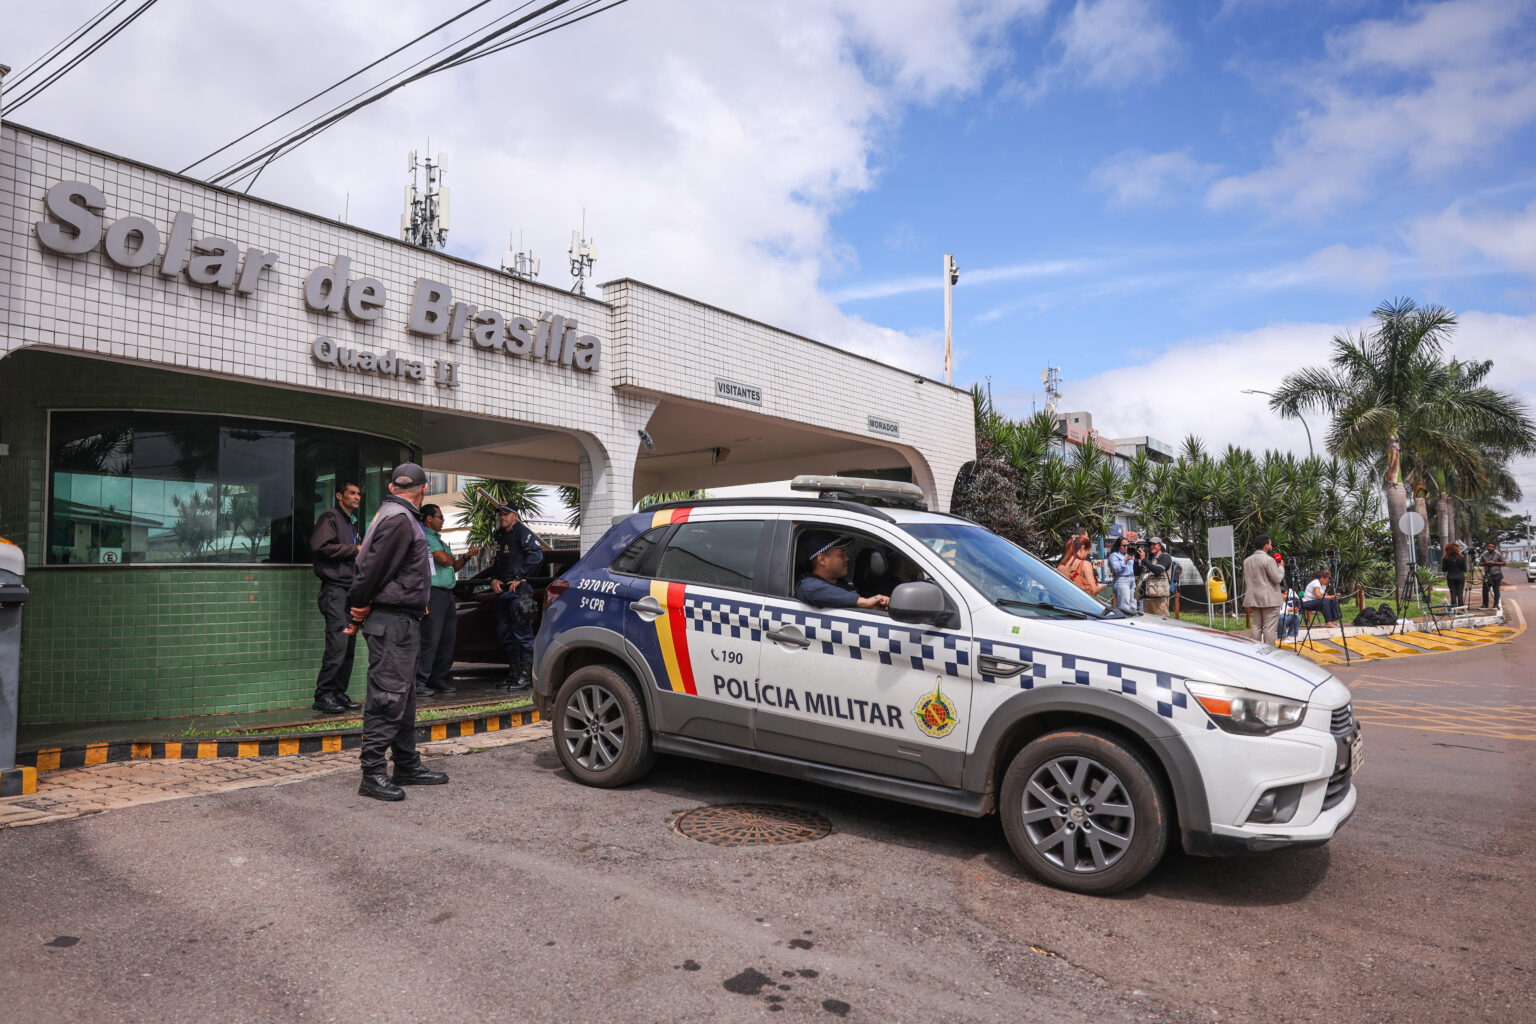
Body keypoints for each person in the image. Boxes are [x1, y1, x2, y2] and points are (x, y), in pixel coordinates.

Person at [346, 462, 448, 802]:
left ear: (392, 487)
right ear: (424, 488)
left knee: (403, 697)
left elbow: (371, 564)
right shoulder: (400, 519)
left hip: (401, 620)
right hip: (393, 620)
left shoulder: (389, 512)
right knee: (388, 696)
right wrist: (358, 604)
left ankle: (406, 763)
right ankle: (373, 773)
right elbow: (371, 567)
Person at [309, 481, 364, 715]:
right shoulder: (330, 516)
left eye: (359, 494)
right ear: (339, 496)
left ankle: (339, 693)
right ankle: (323, 696)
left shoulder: (351, 522)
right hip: (335, 590)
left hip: (349, 590)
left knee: (349, 646)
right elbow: (320, 546)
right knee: (337, 644)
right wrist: (356, 550)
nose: (357, 497)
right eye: (352, 493)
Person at [415, 504, 480, 698]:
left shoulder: (439, 540)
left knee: (447, 638)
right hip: (433, 593)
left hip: (447, 593)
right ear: (428, 518)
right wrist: (450, 558)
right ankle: (420, 681)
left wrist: (467, 556)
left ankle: (438, 678)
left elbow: (454, 565)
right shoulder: (424, 536)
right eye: (439, 517)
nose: (443, 520)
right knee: (431, 638)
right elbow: (444, 560)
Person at [490, 503, 544, 691]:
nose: (502, 516)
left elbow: (537, 556)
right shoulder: (500, 535)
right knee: (506, 636)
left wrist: (520, 577)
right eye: (500, 513)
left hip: (519, 594)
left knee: (523, 636)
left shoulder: (523, 533)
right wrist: (493, 579)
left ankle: (527, 676)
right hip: (502, 592)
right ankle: (514, 673)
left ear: (515, 515)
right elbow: (498, 562)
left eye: (506, 514)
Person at [795, 532, 890, 609]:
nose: (847, 558)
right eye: (841, 554)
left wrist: (873, 607)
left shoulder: (840, 584)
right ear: (822, 560)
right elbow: (811, 590)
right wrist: (865, 602)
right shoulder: (808, 586)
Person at [1242, 535, 1286, 644]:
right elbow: (1277, 579)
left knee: (1256, 625)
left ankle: (1255, 650)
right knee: (1269, 627)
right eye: (1270, 543)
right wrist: (1281, 567)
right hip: (1269, 599)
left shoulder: (1247, 561)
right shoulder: (1268, 560)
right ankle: (1268, 650)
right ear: (1266, 545)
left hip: (1253, 598)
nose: (1271, 546)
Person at [1138, 537, 1174, 617]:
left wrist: (1144, 560)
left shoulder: (1165, 557)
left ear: (1160, 546)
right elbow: (1137, 572)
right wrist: (1137, 560)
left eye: (1154, 544)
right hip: (1147, 597)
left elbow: (1157, 571)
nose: (1152, 546)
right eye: (1151, 544)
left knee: (1162, 623)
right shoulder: (1149, 558)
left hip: (1159, 599)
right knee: (1148, 624)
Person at [1107, 537, 1138, 614]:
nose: (1126, 548)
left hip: (1132, 579)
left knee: (1133, 604)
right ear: (1118, 546)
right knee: (1124, 605)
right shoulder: (1114, 555)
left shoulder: (1130, 554)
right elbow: (1115, 568)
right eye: (1124, 546)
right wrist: (1125, 560)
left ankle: (1133, 620)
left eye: (1127, 545)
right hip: (1122, 580)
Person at [1478, 541, 1505, 610]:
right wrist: (1485, 563)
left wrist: (1495, 563)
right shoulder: (1484, 555)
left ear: (1494, 548)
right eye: (1489, 547)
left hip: (1496, 574)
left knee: (1496, 590)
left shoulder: (1498, 554)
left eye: (1492, 547)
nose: (1490, 548)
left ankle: (1495, 604)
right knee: (1485, 590)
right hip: (1487, 575)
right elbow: (1480, 563)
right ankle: (1485, 604)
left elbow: (1504, 563)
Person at [1441, 541, 1467, 609]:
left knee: (1452, 592)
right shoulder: (1461, 558)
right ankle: (1461, 607)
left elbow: (1444, 569)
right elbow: (1464, 569)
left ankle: (1454, 606)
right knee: (1460, 592)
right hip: (1460, 577)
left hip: (1451, 577)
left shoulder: (1446, 558)